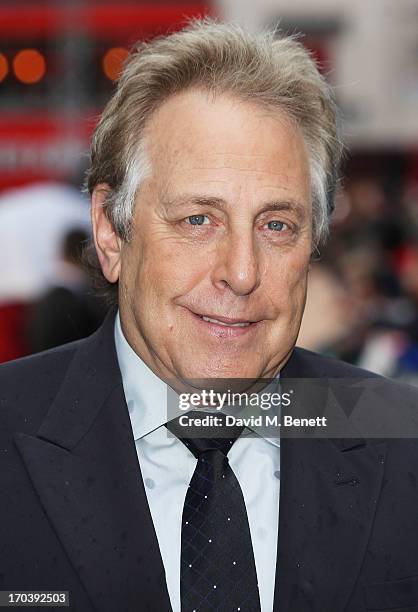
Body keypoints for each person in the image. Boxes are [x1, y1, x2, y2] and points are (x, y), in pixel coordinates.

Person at [1, 18, 417, 612]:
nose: (241, 272)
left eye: (277, 225)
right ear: (110, 231)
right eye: (198, 220)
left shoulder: (401, 435)